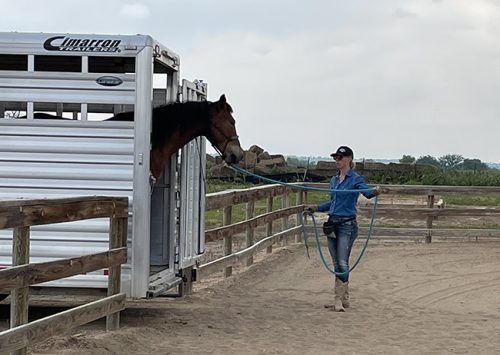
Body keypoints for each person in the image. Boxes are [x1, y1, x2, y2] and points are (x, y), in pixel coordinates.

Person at [306, 146, 385, 312]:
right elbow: (333, 202)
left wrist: (375, 191)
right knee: (336, 263)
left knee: (342, 262)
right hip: (332, 223)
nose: (337, 160)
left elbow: (366, 192)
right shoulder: (334, 180)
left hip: (347, 225)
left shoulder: (355, 179)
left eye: (340, 158)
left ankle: (339, 299)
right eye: (336, 157)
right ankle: (342, 298)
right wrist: (317, 208)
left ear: (349, 159)